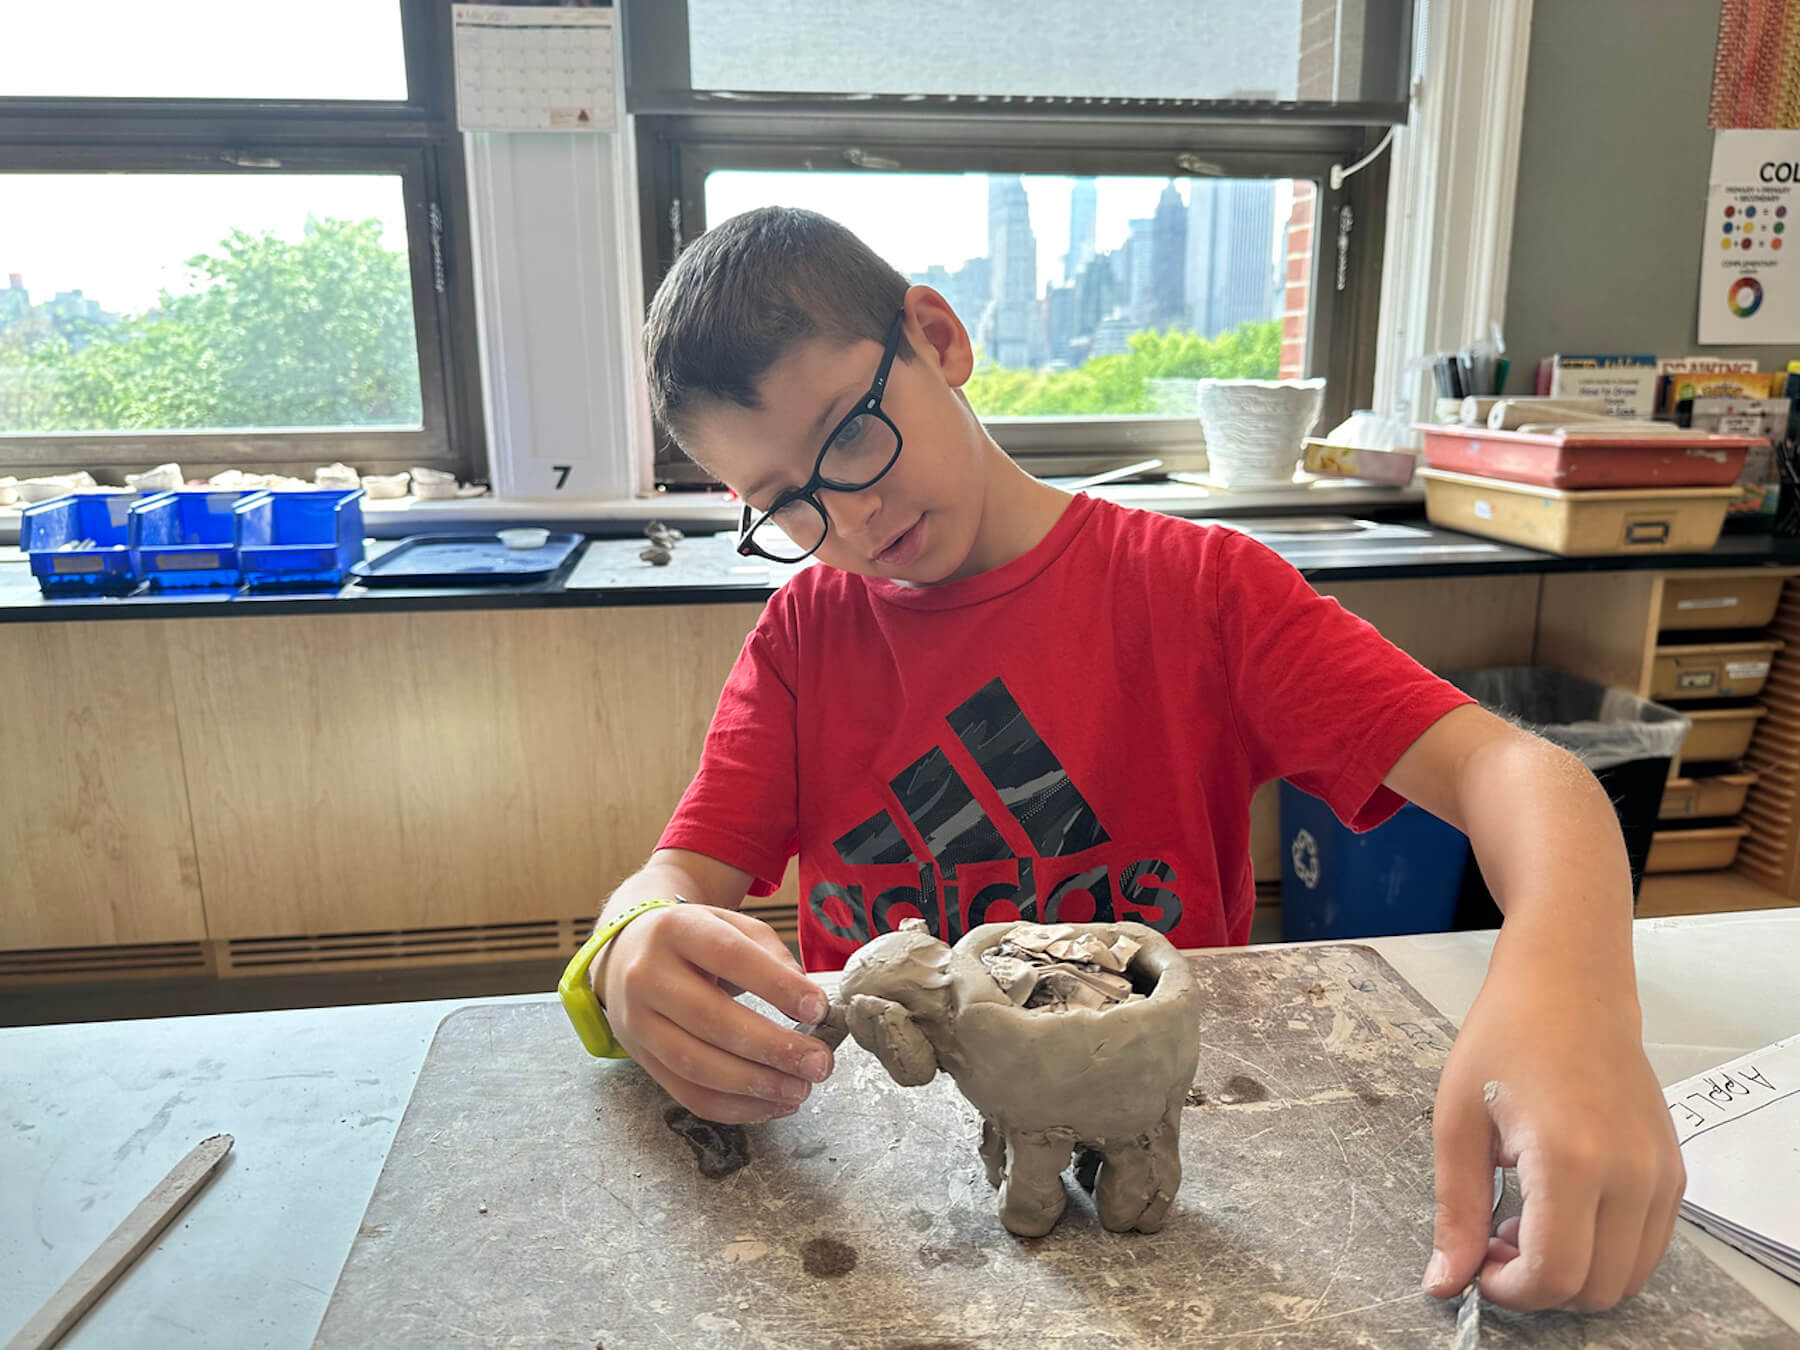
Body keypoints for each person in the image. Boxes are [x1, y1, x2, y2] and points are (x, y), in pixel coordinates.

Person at [564, 206, 1683, 1313]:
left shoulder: (1201, 594)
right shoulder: (808, 636)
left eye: (852, 432)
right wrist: (625, 952)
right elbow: (677, 881)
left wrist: (1571, 988)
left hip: (1169, 1175)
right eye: (786, 502)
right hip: (910, 1212)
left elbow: (1525, 776)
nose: (849, 517)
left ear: (939, 338)